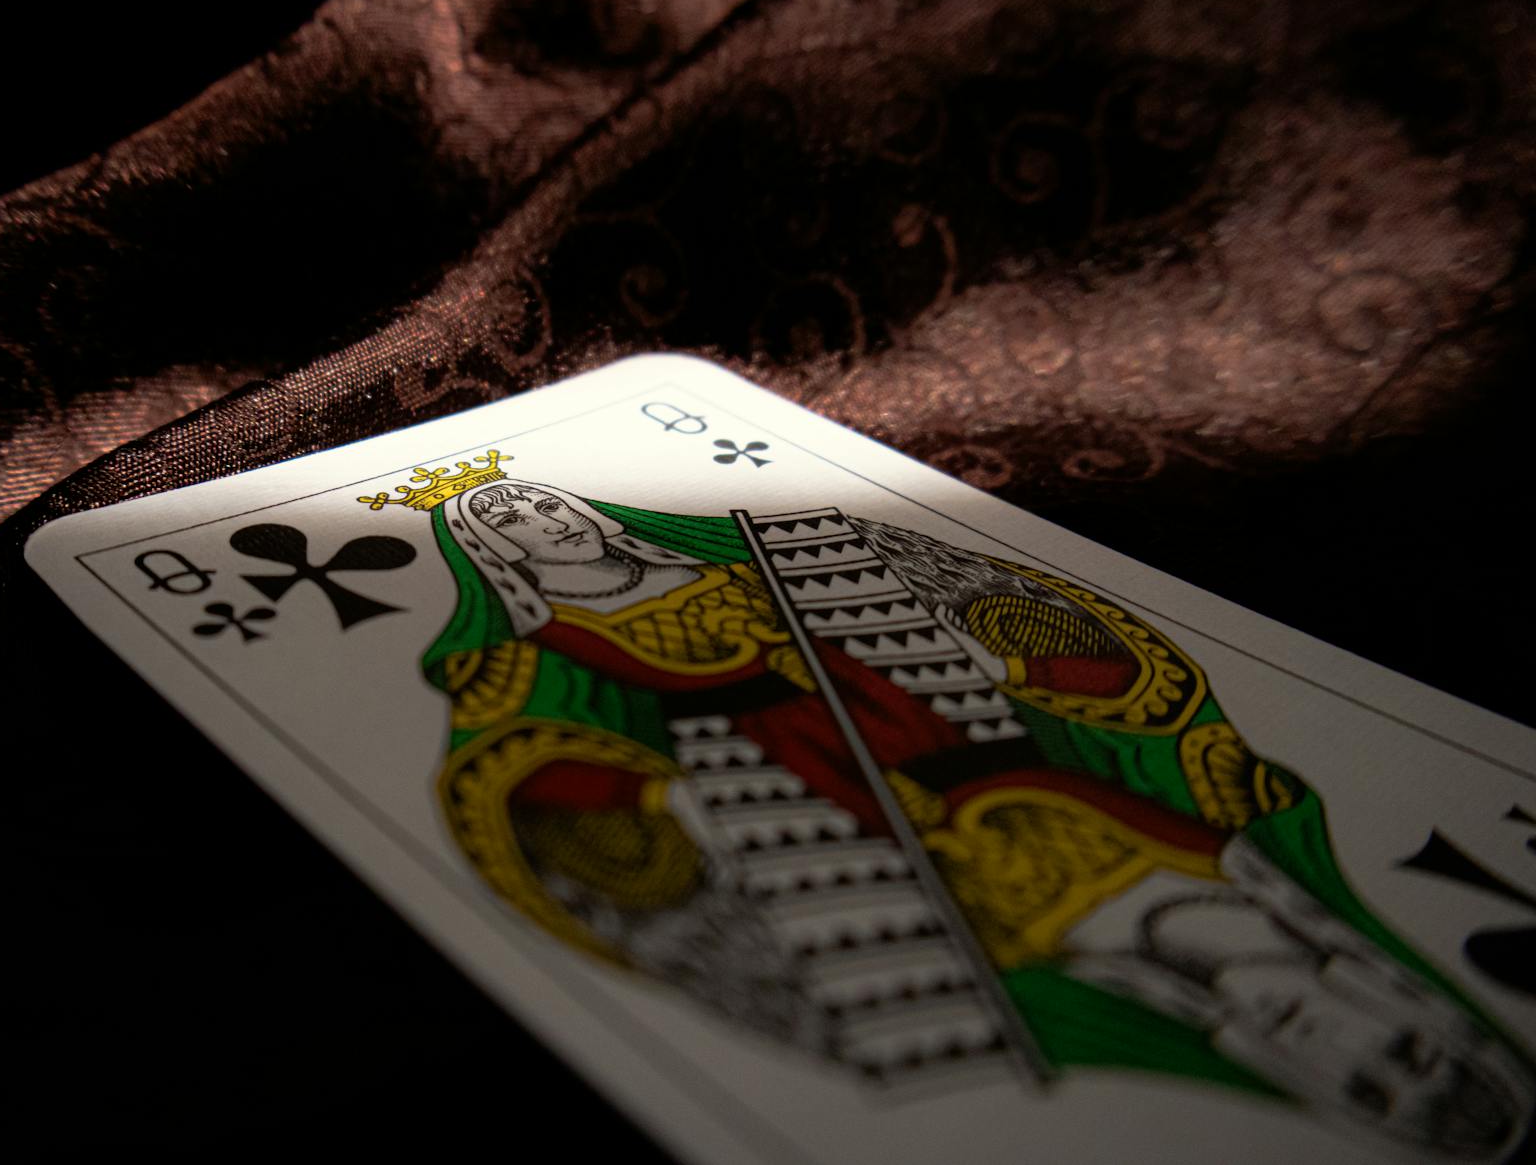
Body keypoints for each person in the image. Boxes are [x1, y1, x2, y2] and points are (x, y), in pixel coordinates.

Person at [372, 453, 1531, 1159]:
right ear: (500, 558)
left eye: (547, 506)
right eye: (514, 525)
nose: (547, 524)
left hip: (947, 752)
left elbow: (1038, 646)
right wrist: (623, 808)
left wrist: (1028, 659)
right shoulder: (530, 661)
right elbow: (546, 778)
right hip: (803, 784)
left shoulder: (754, 560)